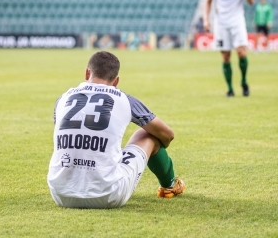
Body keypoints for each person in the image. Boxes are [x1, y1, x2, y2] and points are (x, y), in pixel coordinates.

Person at [47, 51, 185, 209]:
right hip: (108, 195)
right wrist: (158, 147)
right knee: (148, 133)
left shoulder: (63, 99)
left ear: (87, 73)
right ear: (116, 81)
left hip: (60, 194)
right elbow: (168, 135)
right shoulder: (124, 99)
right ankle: (169, 186)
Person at [203, 0, 255, 97]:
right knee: (225, 56)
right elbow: (207, 1)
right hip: (221, 22)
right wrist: (206, 20)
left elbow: (251, 1)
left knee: (241, 53)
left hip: (237, 20)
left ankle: (244, 82)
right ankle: (230, 89)